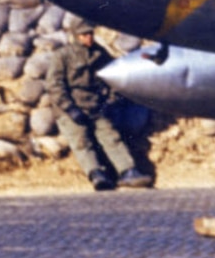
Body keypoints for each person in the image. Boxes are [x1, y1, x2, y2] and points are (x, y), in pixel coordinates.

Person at [53, 26, 153, 190]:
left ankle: (128, 171)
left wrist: (109, 100)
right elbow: (55, 86)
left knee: (111, 137)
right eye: (84, 35)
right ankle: (96, 175)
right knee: (81, 142)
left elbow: (112, 76)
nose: (88, 38)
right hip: (71, 108)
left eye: (90, 34)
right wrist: (69, 108)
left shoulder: (99, 53)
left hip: (95, 106)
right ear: (75, 36)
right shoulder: (62, 56)